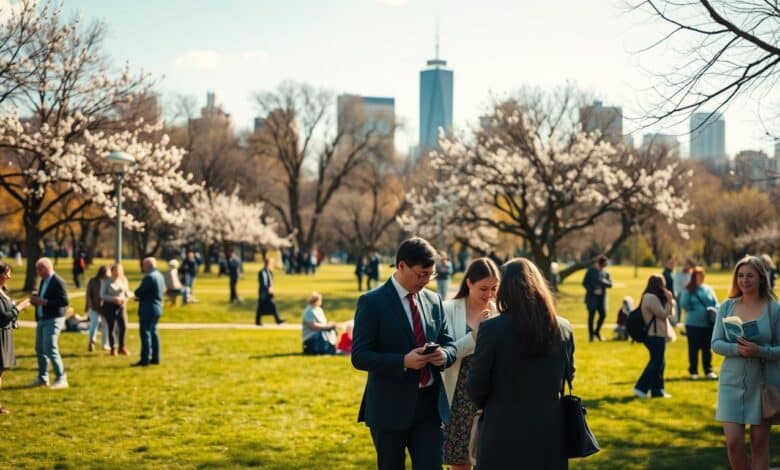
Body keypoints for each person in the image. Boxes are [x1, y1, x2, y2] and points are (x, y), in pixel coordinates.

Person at [352, 236, 457, 469]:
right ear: (401, 266)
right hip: (389, 407)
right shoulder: (372, 302)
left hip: (429, 407)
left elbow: (449, 344)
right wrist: (403, 362)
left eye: (430, 275)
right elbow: (359, 356)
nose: (426, 281)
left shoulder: (434, 300)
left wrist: (444, 355)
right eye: (421, 274)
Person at [467, 258, 573, 469]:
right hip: (549, 430)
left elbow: (476, 386)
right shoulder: (563, 327)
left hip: (502, 430)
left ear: (505, 289)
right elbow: (568, 375)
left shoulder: (491, 329)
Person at [712, 255, 780, 470]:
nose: (744, 280)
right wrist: (738, 349)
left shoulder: (774, 309)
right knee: (733, 444)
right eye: (740, 276)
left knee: (759, 444)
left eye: (750, 275)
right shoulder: (726, 307)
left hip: (762, 385)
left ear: (761, 278)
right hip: (730, 384)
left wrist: (759, 351)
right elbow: (715, 343)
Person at [442, 257, 500, 470]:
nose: (489, 294)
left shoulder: (499, 312)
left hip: (489, 398)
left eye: (494, 288)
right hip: (458, 397)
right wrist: (475, 335)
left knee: (489, 460)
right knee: (460, 462)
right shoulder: (448, 309)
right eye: (483, 288)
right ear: (468, 283)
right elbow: (444, 355)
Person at [633, 274, 676, 399]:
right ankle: (641, 388)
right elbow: (663, 314)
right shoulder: (651, 297)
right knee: (656, 363)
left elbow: (670, 313)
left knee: (659, 363)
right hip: (654, 335)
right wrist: (669, 301)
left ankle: (657, 391)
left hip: (657, 335)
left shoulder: (651, 297)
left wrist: (668, 302)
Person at [29, 257, 69, 389]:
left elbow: (64, 301)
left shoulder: (58, 281)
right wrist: (36, 299)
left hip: (54, 319)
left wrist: (43, 302)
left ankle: (61, 378)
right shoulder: (43, 281)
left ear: (46, 268)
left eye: (39, 269)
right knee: (40, 348)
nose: (38, 272)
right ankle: (43, 378)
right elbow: (45, 298)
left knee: (50, 348)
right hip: (42, 319)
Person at [0, 262, 30, 413]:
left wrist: (15, 314)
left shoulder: (4, 290)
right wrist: (20, 307)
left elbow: (8, 312)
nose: (9, 277)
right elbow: (3, 317)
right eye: (7, 274)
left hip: (5, 334)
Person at [679, 266, 719, 380]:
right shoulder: (688, 289)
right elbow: (683, 304)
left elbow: (716, 303)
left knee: (707, 349)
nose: (700, 278)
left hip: (708, 324)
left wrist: (713, 309)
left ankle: (708, 370)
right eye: (698, 276)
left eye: (702, 275)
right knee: (693, 349)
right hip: (693, 324)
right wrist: (695, 309)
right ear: (693, 277)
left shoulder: (708, 289)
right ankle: (693, 371)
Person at [133, 257, 164, 366]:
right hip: (157, 307)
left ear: (148, 265)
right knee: (154, 332)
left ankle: (145, 359)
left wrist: (138, 295)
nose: (143, 267)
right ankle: (155, 358)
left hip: (148, 308)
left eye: (144, 265)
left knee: (145, 333)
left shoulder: (150, 277)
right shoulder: (159, 275)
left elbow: (138, 291)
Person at [101, 264, 131, 356]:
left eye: (120, 270)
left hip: (121, 306)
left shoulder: (124, 280)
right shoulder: (106, 281)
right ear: (112, 271)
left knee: (123, 326)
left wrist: (125, 299)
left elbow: (127, 293)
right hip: (109, 306)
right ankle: (113, 347)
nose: (118, 272)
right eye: (116, 270)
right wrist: (113, 299)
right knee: (112, 327)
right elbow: (102, 295)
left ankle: (122, 347)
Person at [582, 255, 612, 342]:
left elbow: (610, 284)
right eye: (602, 265)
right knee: (591, 316)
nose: (602, 267)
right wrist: (593, 290)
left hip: (601, 298)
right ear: (598, 263)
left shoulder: (605, 273)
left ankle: (597, 332)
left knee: (603, 315)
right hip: (592, 297)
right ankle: (591, 336)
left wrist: (604, 281)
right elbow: (584, 283)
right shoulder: (590, 271)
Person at [85, 265, 109, 352]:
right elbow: (88, 294)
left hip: (105, 307)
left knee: (105, 325)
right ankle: (92, 341)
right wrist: (90, 305)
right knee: (94, 323)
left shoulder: (108, 282)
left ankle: (105, 344)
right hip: (93, 306)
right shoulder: (93, 281)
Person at [256, 258, 284, 325]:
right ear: (266, 263)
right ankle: (277, 320)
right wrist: (268, 289)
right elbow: (264, 283)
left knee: (268, 305)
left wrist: (272, 289)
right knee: (263, 306)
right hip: (264, 292)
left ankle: (277, 320)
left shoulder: (269, 272)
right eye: (270, 263)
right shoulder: (262, 272)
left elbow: (271, 282)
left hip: (268, 291)